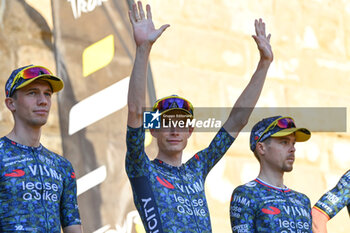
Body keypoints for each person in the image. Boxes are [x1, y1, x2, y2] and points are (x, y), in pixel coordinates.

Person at [125, 1, 273, 232]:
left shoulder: (196, 168)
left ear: (190, 131)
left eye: (181, 124)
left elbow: (237, 121)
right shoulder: (141, 167)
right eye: (166, 123)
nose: (175, 130)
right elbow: (135, 112)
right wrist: (143, 49)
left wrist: (264, 65)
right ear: (152, 129)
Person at [0, 65, 82, 232]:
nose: (43, 101)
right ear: (11, 103)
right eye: (32, 93)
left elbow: (73, 227)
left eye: (47, 94)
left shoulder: (62, 166)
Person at [230, 116, 312, 232]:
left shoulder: (303, 200)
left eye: (293, 143)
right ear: (261, 148)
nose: (293, 149)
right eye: (284, 142)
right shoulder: (246, 194)